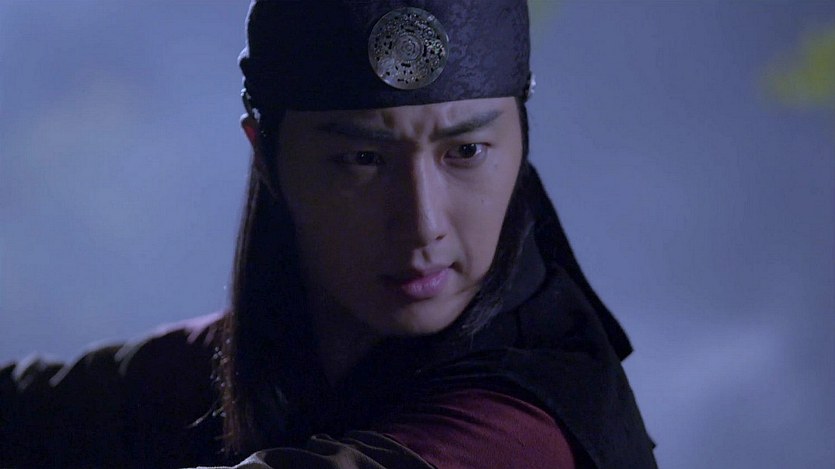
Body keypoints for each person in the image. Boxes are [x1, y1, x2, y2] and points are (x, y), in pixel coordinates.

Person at [0, 1, 657, 468]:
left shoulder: (515, 433)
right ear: (266, 155)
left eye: (465, 152)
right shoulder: (266, 351)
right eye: (362, 159)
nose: (423, 223)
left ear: (519, 143)